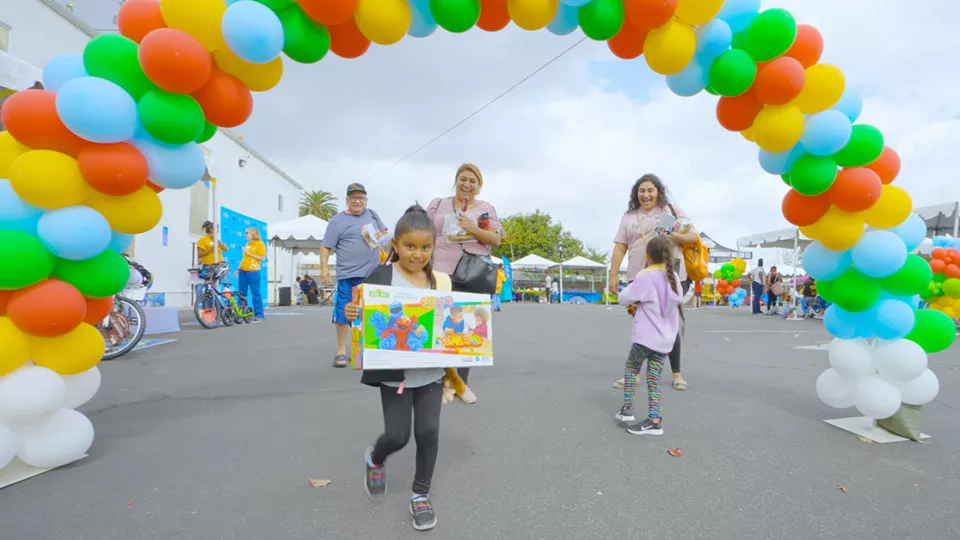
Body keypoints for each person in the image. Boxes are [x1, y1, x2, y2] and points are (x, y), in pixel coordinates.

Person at [345, 204, 450, 532]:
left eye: (425, 247)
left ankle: (421, 495)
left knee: (429, 433)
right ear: (395, 244)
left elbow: (452, 323)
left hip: (431, 372)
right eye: (409, 246)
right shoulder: (382, 276)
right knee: (397, 435)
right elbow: (365, 318)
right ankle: (375, 459)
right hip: (395, 376)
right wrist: (353, 313)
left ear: (433, 247)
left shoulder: (440, 281)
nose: (417, 254)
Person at [608, 174, 697, 392]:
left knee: (670, 321)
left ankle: (677, 373)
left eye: (650, 190)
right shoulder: (629, 216)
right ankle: (635, 373)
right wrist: (612, 275)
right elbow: (620, 246)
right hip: (639, 276)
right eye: (641, 191)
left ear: (658, 191)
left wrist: (674, 235)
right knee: (642, 322)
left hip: (669, 274)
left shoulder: (671, 211)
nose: (645, 194)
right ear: (636, 194)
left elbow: (693, 236)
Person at [427, 163, 501, 404]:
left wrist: (473, 228)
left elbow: (496, 239)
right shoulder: (438, 204)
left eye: (473, 181)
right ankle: (437, 381)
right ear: (456, 180)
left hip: (472, 274)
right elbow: (422, 230)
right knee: (439, 327)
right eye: (463, 179)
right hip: (439, 273)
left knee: (466, 329)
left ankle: (460, 383)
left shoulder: (486, 209)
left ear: (479, 186)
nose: (467, 184)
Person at [614, 236, 684, 436]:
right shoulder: (674, 279)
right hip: (665, 340)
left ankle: (627, 409)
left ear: (647, 255)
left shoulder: (646, 276)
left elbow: (624, 297)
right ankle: (654, 420)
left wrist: (635, 300)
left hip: (646, 337)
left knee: (632, 368)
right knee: (653, 377)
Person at [321, 183, 389, 368]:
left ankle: (369, 349)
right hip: (347, 275)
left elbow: (385, 234)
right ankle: (341, 351)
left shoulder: (372, 215)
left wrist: (379, 236)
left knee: (373, 314)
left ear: (366, 200)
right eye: (354, 198)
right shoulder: (337, 221)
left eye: (361, 198)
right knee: (343, 313)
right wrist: (324, 269)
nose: (358, 201)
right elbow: (326, 246)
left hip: (372, 275)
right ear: (347, 200)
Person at [195, 220, 228, 308]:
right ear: (210, 229)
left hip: (218, 267)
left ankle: (217, 309)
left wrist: (219, 243)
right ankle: (206, 308)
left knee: (215, 288)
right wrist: (211, 249)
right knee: (206, 288)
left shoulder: (217, 240)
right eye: (216, 228)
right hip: (208, 267)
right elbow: (200, 254)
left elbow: (226, 249)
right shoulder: (203, 240)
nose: (218, 230)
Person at [236, 227, 266, 322]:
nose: (245, 234)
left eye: (247, 233)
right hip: (243, 270)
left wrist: (249, 253)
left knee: (255, 292)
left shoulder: (260, 244)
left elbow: (262, 257)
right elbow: (245, 258)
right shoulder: (248, 244)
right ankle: (241, 313)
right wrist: (238, 269)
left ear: (253, 233)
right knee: (241, 293)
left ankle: (259, 314)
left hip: (253, 271)